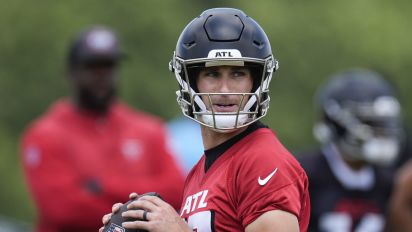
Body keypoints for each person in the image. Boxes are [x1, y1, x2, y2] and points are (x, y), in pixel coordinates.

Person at [100, 8, 310, 232]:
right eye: (212, 74)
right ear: (190, 81)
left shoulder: (263, 161)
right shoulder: (200, 171)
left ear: (257, 82)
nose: (225, 90)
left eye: (238, 74)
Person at [20, 26, 185, 232]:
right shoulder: (45, 134)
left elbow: (177, 192)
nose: (102, 76)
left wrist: (102, 186)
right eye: (92, 67)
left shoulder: (149, 129)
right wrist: (143, 203)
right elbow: (63, 210)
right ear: (71, 73)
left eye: (108, 67)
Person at [297, 68, 405, 232]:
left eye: (383, 124)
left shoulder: (389, 184)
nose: (381, 133)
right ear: (334, 122)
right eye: (370, 123)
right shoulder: (302, 175)